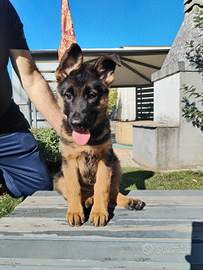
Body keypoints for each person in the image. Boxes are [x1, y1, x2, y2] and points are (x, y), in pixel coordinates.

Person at [0, 0, 63, 198]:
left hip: (5, 121)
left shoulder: (3, 8)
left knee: (40, 189)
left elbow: (31, 77)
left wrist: (68, 132)